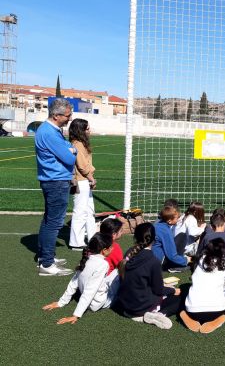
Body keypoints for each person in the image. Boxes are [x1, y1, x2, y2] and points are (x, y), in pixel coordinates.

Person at [35, 98, 77, 276]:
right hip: (56, 181)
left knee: (48, 220)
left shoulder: (51, 130)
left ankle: (45, 256)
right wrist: (72, 151)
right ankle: (47, 263)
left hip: (52, 180)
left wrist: (70, 149)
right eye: (67, 115)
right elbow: (70, 157)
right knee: (54, 223)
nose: (69, 118)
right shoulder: (49, 133)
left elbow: (68, 148)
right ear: (56, 115)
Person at [42, 233, 118, 324]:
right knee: (118, 273)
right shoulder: (103, 264)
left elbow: (73, 283)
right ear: (104, 250)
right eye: (111, 247)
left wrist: (61, 302)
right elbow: (90, 291)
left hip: (91, 300)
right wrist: (76, 315)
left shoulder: (86, 259)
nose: (112, 249)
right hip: (98, 303)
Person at [116, 223, 182, 329]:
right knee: (180, 297)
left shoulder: (129, 252)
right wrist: (173, 291)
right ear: (154, 238)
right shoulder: (153, 261)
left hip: (126, 305)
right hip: (141, 307)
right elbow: (158, 290)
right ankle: (159, 314)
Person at [180, 239, 225, 334]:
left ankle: (185, 315)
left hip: (193, 311)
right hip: (217, 311)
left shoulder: (199, 260)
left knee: (182, 300)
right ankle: (220, 319)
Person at [68, 118, 96, 251]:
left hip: (85, 180)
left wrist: (91, 177)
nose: (89, 130)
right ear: (80, 130)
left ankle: (93, 238)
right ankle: (76, 242)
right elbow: (82, 165)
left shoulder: (81, 143)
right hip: (80, 181)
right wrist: (90, 177)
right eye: (87, 128)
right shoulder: (77, 144)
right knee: (80, 211)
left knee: (89, 211)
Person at [152, 205, 190, 272]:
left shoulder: (157, 224)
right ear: (169, 221)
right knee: (182, 236)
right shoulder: (165, 231)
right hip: (159, 262)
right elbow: (172, 256)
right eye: (177, 218)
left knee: (181, 236)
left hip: (151, 258)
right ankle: (174, 266)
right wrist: (186, 260)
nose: (178, 219)